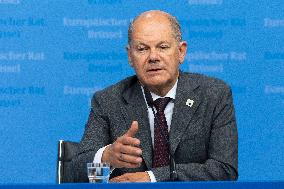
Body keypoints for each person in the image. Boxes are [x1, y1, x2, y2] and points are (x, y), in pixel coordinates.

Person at [73, 10, 238, 182]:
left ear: (181, 52)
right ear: (130, 56)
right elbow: (77, 176)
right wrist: (106, 158)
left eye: (163, 47)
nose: (153, 57)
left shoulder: (214, 94)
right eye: (142, 49)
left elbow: (225, 170)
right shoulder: (109, 101)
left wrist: (152, 177)